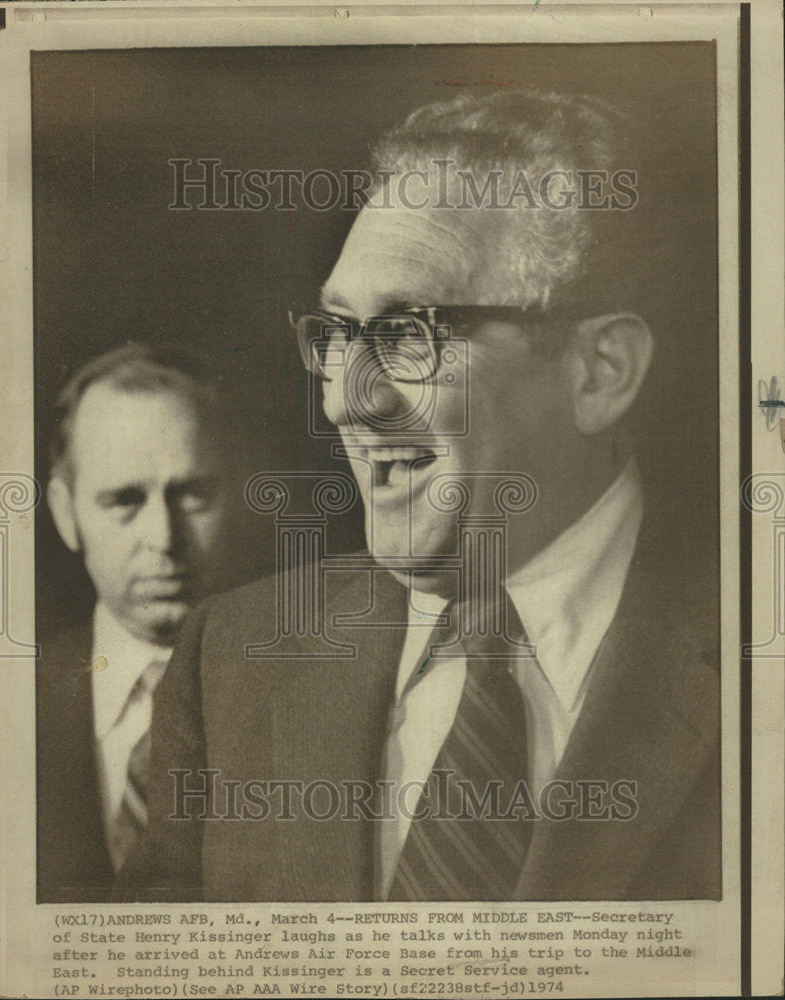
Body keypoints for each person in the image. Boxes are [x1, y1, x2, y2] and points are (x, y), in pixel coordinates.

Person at [123, 90, 720, 902]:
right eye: (336, 335)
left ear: (599, 371)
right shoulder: (232, 657)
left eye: (408, 332)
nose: (344, 401)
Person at [37, 342, 241, 902]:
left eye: (192, 494)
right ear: (65, 512)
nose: (163, 538)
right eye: (124, 499)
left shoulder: (308, 702)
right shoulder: (15, 704)